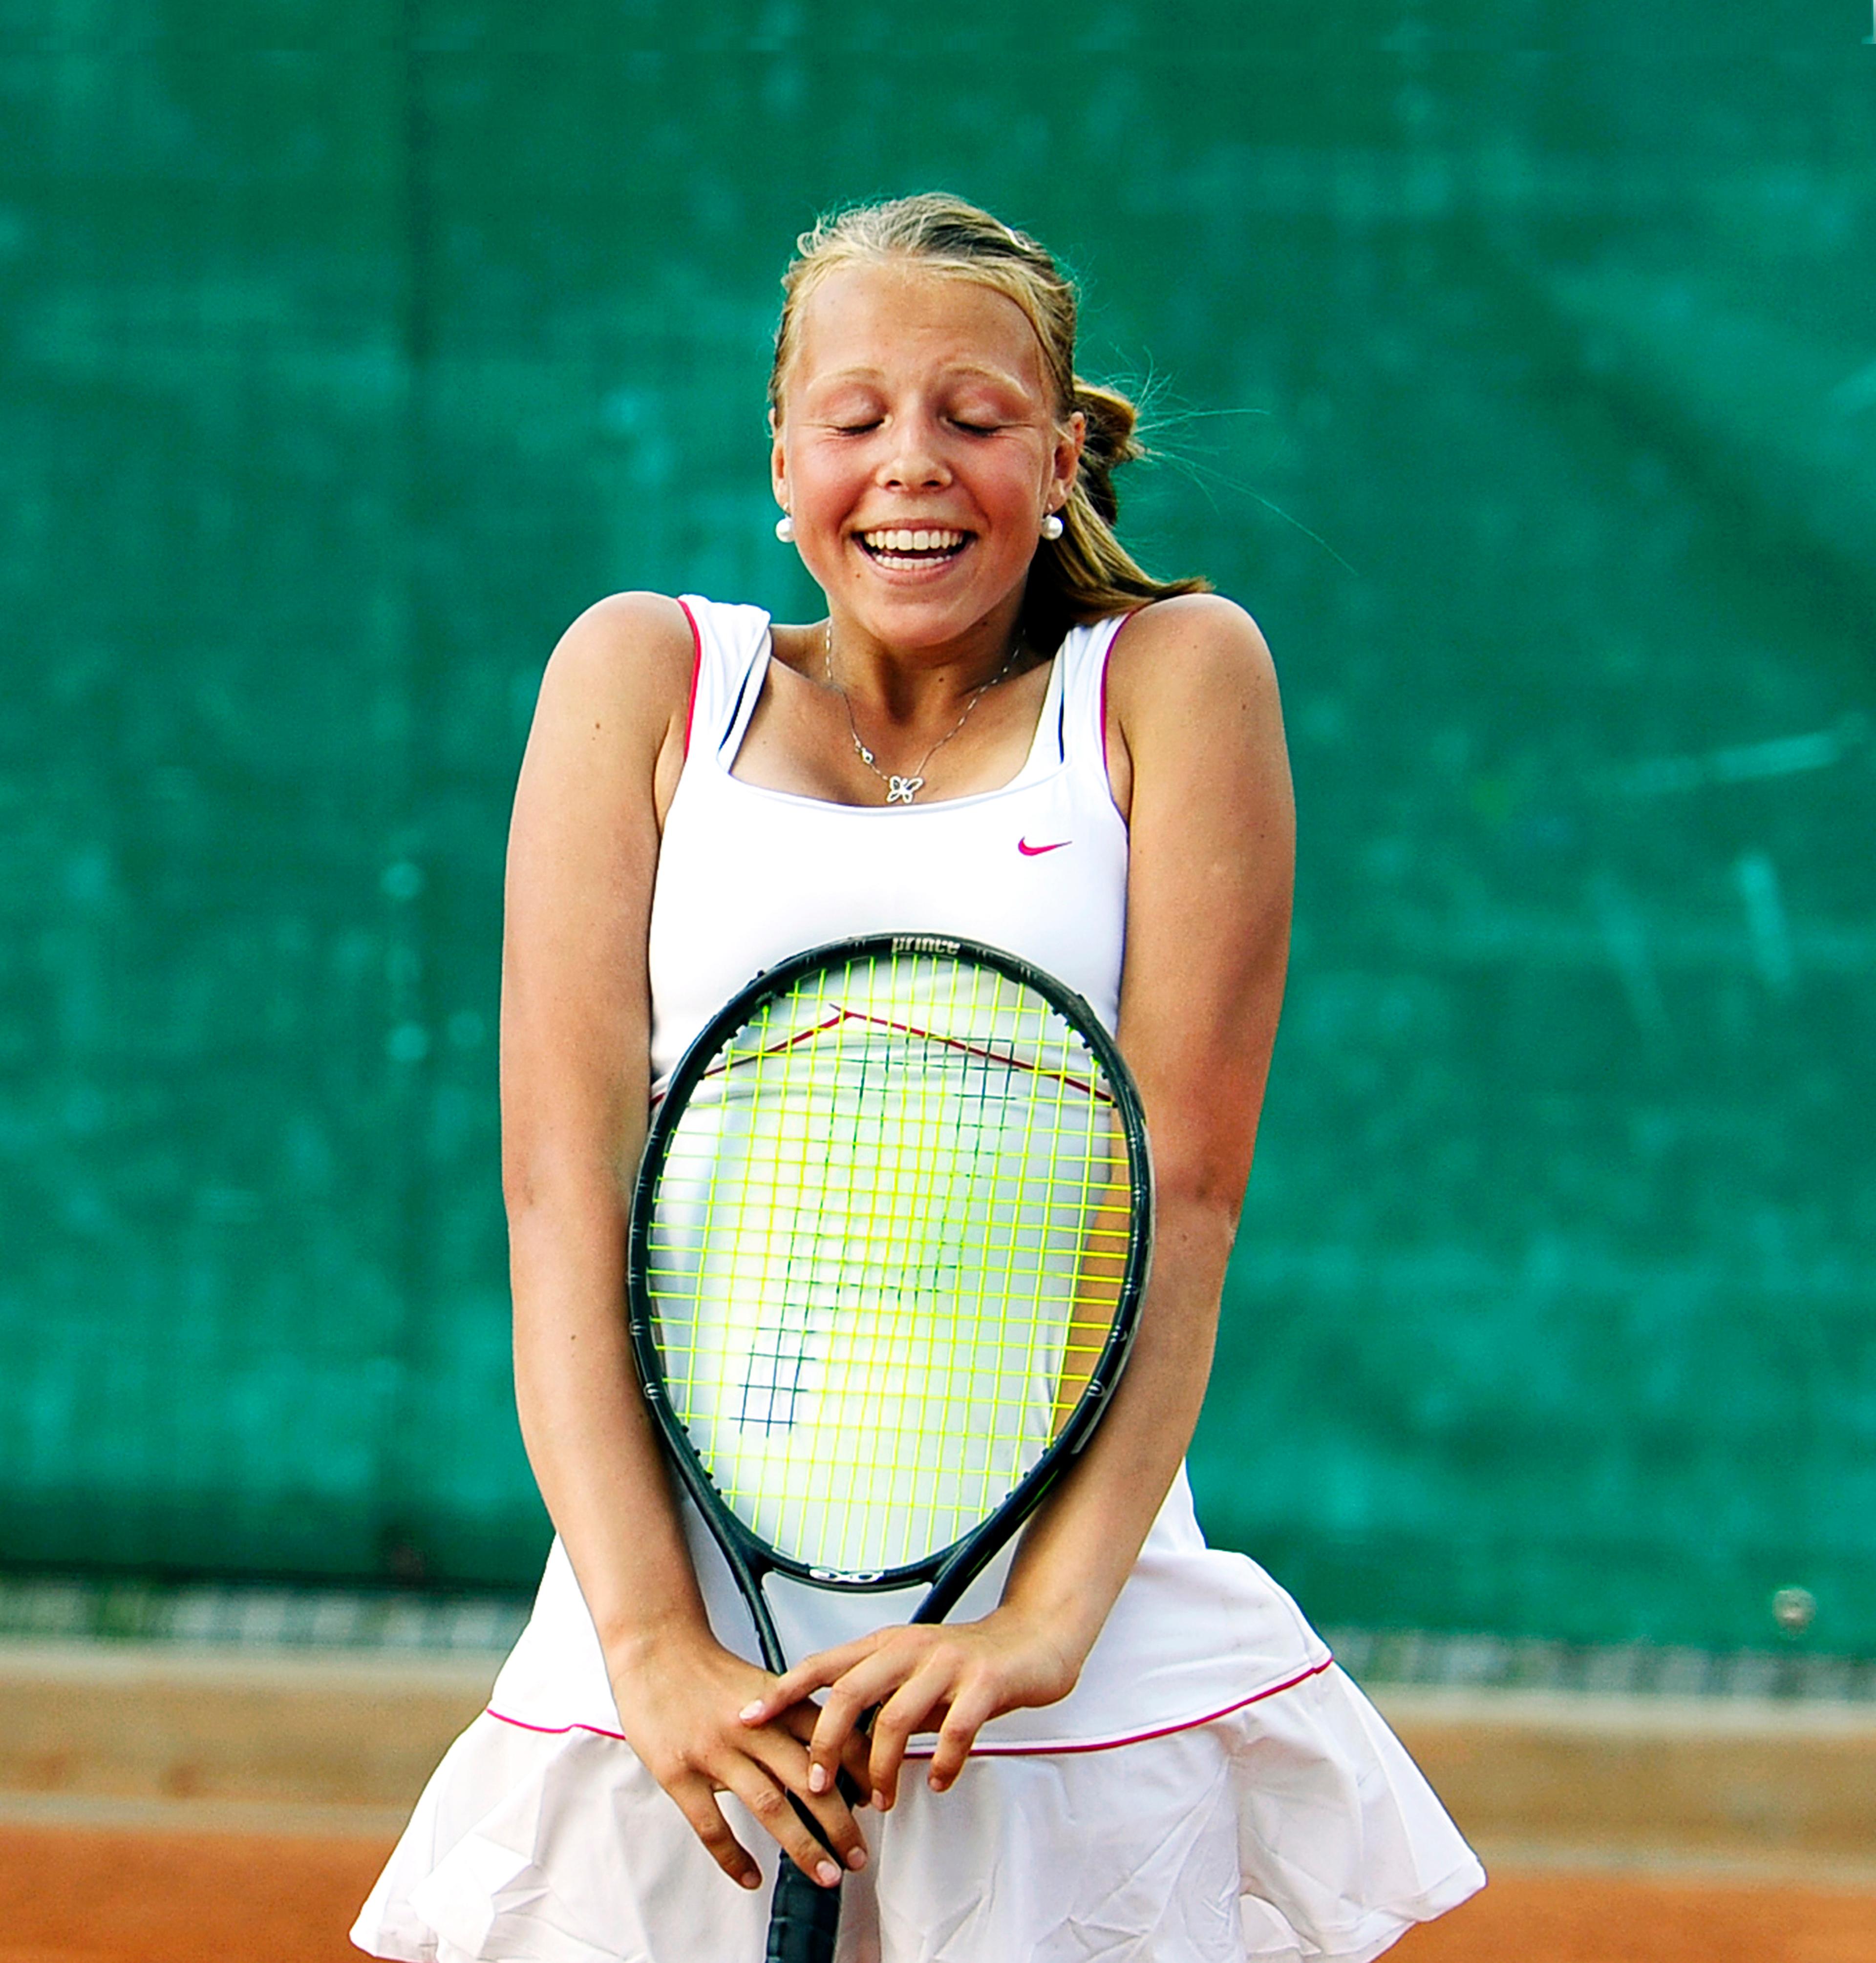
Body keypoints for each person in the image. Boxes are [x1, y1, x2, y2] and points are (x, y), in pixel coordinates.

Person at [352, 192, 1485, 1963]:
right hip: (677, 1617)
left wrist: (1042, 1623)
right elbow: (562, 1188)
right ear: (782, 452)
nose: (914, 467)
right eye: (859, 417)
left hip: (1055, 1607)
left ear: (1057, 453)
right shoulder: (642, 675)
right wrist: (651, 1639)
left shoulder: (1176, 681)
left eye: (973, 417)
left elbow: (1184, 1195)